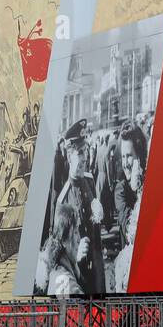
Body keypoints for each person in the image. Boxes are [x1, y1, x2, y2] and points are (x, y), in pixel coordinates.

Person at [53, 118, 106, 294]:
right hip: (79, 274)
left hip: (97, 265)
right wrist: (76, 257)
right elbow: (59, 249)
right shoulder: (62, 199)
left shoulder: (90, 181)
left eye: (85, 151)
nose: (84, 158)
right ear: (69, 156)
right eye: (79, 153)